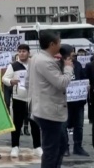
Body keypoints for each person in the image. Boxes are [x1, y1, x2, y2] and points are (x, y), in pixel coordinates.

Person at [27, 31, 73, 168]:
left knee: (61, 144)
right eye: (58, 42)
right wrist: (68, 68)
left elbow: (28, 81)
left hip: (44, 109)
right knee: (51, 149)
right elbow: (61, 82)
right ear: (52, 44)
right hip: (48, 112)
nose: (60, 45)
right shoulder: (45, 61)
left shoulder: (37, 57)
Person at [2, 44, 42, 158]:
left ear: (28, 52)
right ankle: (15, 147)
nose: (21, 53)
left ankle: (37, 147)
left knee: (34, 123)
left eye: (24, 51)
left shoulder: (34, 64)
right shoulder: (13, 65)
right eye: (19, 51)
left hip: (33, 98)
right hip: (18, 97)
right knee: (17, 123)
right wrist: (11, 82)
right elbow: (4, 78)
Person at [63, 48, 89, 156]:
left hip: (78, 101)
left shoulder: (78, 64)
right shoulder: (59, 66)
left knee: (79, 126)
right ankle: (65, 148)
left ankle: (78, 147)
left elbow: (83, 77)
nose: (72, 57)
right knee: (64, 125)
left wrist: (86, 85)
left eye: (73, 55)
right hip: (65, 102)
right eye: (70, 55)